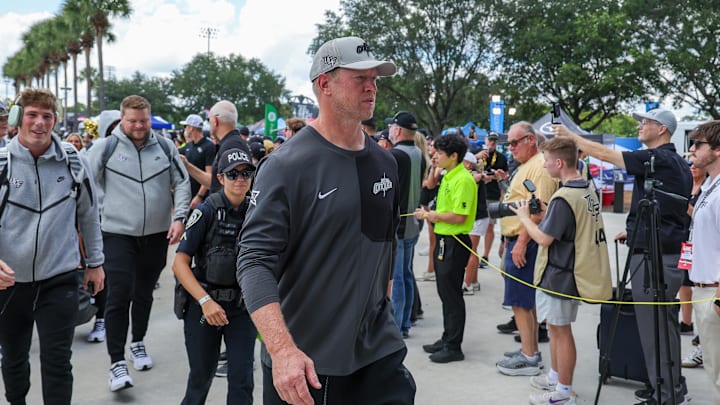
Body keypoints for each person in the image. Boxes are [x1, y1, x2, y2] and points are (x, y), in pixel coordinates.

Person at [237, 36, 415, 405]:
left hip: (378, 353)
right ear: (325, 84)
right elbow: (253, 262)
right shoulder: (286, 166)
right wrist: (282, 351)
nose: (372, 87)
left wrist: (383, 312)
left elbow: (385, 246)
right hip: (306, 364)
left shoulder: (386, 163)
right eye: (360, 78)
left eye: (375, 79)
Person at [554, 108, 691, 405]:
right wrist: (635, 230)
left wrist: (572, 137)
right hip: (659, 250)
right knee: (661, 325)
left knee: (654, 326)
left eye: (646, 123)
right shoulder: (673, 161)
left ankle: (665, 394)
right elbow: (667, 206)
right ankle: (666, 386)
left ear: (663, 129)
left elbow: (607, 155)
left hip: (656, 256)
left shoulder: (659, 158)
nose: (640, 127)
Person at [0, 88, 105, 404]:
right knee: (14, 358)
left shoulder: (74, 163)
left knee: (58, 362)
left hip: (59, 279)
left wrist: (96, 263)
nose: (39, 123)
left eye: (47, 116)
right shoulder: (2, 164)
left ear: (55, 120)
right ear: (18, 118)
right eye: (32, 114)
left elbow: (89, 215)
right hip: (9, 282)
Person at [86, 95, 191, 392]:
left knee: (144, 293)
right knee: (119, 294)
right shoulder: (104, 148)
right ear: (122, 119)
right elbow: (86, 187)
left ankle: (138, 343)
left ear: (149, 118)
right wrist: (92, 223)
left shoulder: (165, 146)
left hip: (157, 234)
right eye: (132, 120)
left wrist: (180, 216)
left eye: (143, 120)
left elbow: (182, 182)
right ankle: (116, 362)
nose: (138, 126)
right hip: (116, 233)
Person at [509, 136, 611, 405]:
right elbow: (568, 226)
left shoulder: (565, 196)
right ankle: (556, 376)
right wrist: (547, 215)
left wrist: (523, 218)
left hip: (562, 273)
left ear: (559, 162)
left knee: (561, 330)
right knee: (555, 328)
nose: (543, 166)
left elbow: (543, 239)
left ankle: (564, 391)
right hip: (567, 270)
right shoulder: (586, 188)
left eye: (546, 161)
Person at [173, 148, 257, 405]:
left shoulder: (258, 212)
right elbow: (179, 263)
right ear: (220, 178)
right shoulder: (207, 211)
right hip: (205, 306)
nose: (240, 179)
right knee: (201, 376)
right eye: (233, 174)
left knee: (242, 379)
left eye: (246, 173)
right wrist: (205, 301)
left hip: (242, 308)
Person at [495, 122, 558, 377]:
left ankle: (529, 356)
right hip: (517, 238)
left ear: (531, 140)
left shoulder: (539, 167)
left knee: (521, 302)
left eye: (514, 142)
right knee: (523, 303)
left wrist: (520, 242)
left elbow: (538, 210)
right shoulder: (528, 166)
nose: (510, 148)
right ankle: (528, 349)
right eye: (508, 144)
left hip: (527, 242)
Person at [415, 133, 477, 363]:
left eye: (440, 153)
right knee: (444, 292)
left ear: (454, 156)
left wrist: (431, 215)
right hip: (444, 240)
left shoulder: (463, 179)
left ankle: (454, 346)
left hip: (455, 241)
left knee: (452, 295)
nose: (435, 156)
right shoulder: (448, 175)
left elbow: (459, 216)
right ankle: (447, 337)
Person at [685, 121, 720, 403]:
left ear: (718, 150)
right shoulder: (709, 185)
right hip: (702, 290)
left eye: (699, 144)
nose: (692, 149)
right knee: (714, 371)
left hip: (714, 292)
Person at [387, 110, 426, 338]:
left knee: (399, 277)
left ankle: (398, 325)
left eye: (391, 127)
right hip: (413, 222)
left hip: (400, 225)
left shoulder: (395, 155)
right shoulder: (418, 154)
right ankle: (406, 322)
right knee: (408, 273)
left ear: (398, 130)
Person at [181, 101, 251, 193]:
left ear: (215, 121)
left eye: (208, 120)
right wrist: (187, 166)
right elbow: (215, 182)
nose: (208, 124)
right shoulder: (230, 143)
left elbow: (236, 189)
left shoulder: (231, 146)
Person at [476, 131, 508, 270]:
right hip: (477, 193)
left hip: (492, 194)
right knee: (474, 225)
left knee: (490, 225)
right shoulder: (477, 154)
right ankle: (473, 253)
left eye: (495, 141)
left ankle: (486, 255)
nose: (492, 143)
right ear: (486, 140)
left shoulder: (501, 157)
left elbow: (505, 175)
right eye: (490, 140)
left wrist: (495, 176)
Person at [462, 152, 490, 295]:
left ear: (467, 164)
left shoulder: (472, 176)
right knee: (473, 249)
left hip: (478, 217)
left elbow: (477, 176)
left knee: (471, 251)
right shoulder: (471, 175)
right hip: (478, 217)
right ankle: (473, 281)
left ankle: (467, 284)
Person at [178, 114, 215, 209]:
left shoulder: (209, 146)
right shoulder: (189, 146)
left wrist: (199, 196)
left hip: (202, 199)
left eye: (186, 126)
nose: (184, 129)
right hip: (188, 195)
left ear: (191, 128)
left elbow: (209, 175)